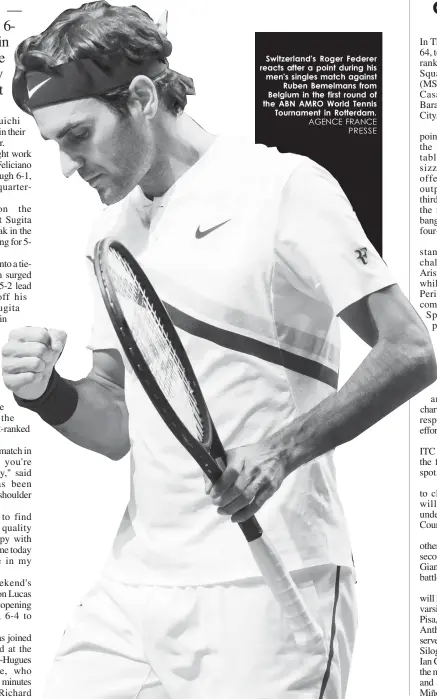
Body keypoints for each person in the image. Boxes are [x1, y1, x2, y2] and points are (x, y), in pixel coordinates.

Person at [2, 2, 435, 698]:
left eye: (77, 135)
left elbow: (410, 349)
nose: (64, 165)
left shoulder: (283, 187)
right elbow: (116, 423)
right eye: (54, 141)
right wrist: (46, 391)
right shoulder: (110, 231)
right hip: (135, 585)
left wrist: (282, 448)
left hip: (268, 585)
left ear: (141, 98)